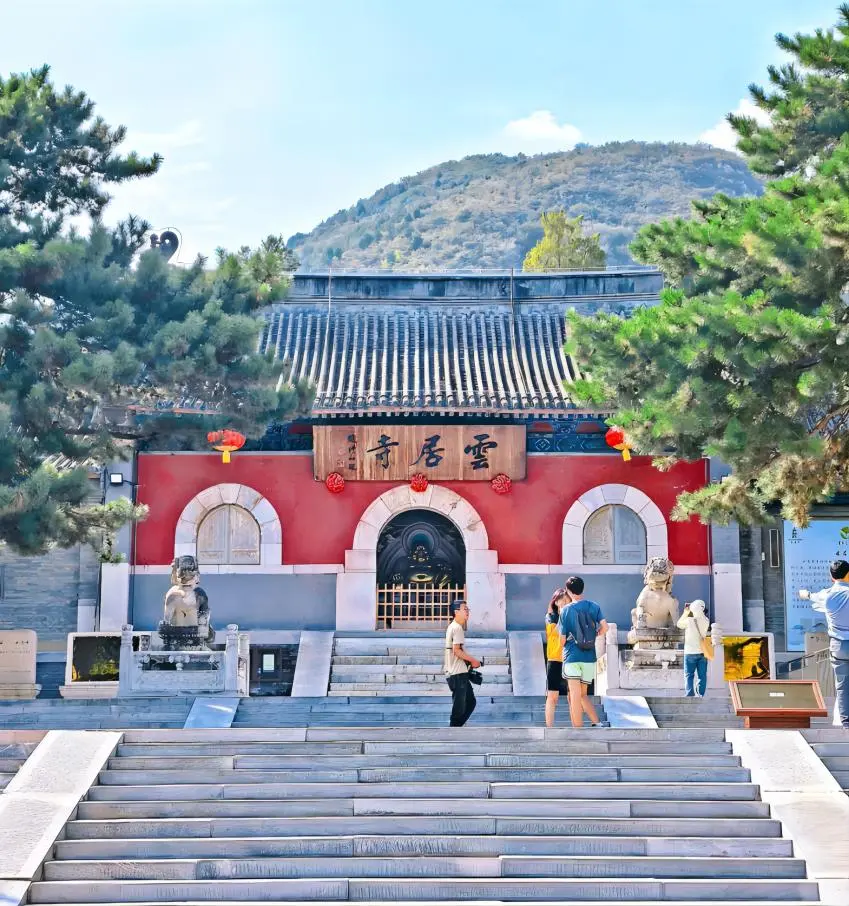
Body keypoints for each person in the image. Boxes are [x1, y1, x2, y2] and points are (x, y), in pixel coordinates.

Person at [799, 559, 849, 729]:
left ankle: (845, 723)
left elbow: (810, 596)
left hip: (838, 646)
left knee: (842, 685)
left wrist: (804, 594)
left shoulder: (827, 594)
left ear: (831, 576)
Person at [557, 576, 607, 728]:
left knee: (574, 695)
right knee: (583, 694)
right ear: (582, 589)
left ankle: (578, 729)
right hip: (589, 657)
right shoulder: (594, 606)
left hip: (572, 656)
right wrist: (596, 634)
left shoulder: (565, 610)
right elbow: (605, 627)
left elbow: (562, 639)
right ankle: (596, 723)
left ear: (568, 591)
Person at [444, 598, 481, 727]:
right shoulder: (457, 628)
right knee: (460, 706)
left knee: (470, 702)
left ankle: (456, 727)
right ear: (456, 612)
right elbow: (456, 651)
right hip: (457, 673)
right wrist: (473, 660)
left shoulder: (453, 626)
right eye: (464, 609)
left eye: (467, 609)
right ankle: (454, 729)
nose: (467, 612)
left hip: (457, 672)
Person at [544, 588, 569, 727]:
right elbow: (554, 633)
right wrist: (562, 616)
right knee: (552, 696)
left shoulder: (572, 615)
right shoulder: (550, 616)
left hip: (570, 659)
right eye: (561, 601)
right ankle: (550, 727)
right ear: (556, 601)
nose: (564, 603)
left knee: (573, 696)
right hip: (554, 659)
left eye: (566, 601)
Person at [677, 599, 710, 697]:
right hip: (703, 652)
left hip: (690, 652)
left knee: (689, 675)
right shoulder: (706, 621)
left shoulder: (689, 620)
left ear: (693, 608)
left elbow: (679, 624)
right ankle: (700, 694)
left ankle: (689, 694)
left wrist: (685, 613)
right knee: (702, 676)